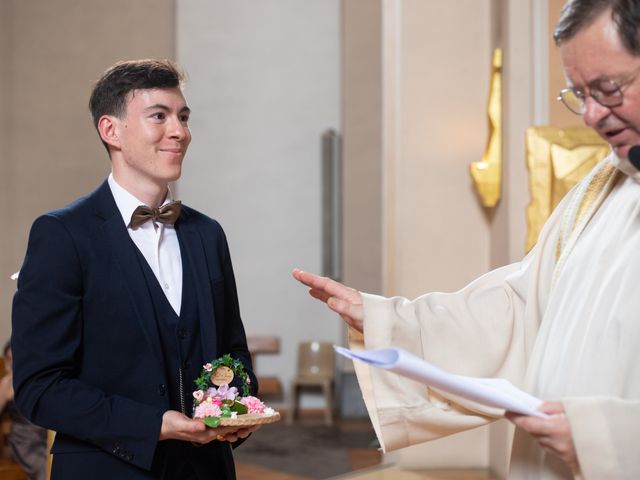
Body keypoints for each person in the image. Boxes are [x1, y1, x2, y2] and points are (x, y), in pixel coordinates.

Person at [293, 1, 640, 478]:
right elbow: (524, 308)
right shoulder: (605, 186)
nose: (594, 116)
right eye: (579, 94)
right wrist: (390, 320)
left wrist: (608, 437)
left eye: (608, 88)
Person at [11, 59, 258, 480]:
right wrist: (153, 425)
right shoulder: (62, 235)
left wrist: (234, 410)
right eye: (159, 116)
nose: (179, 131)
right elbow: (40, 388)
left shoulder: (208, 234)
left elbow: (231, 351)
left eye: (182, 117)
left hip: (207, 472)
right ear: (111, 131)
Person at [0, 342, 47, 480]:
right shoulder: (7, 383)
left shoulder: (36, 379)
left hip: (45, 433)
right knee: (42, 466)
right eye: (10, 358)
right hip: (24, 439)